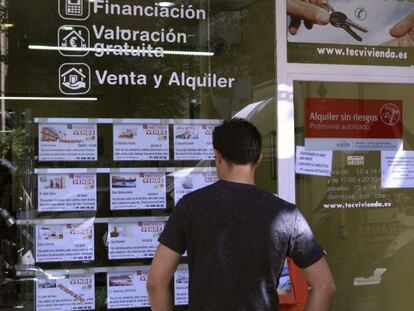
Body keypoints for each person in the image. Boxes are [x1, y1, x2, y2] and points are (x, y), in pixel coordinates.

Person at [147, 118, 336, 311]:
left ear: (217, 156)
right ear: (259, 158)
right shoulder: (286, 214)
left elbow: (155, 283)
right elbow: (325, 286)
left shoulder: (190, 206)